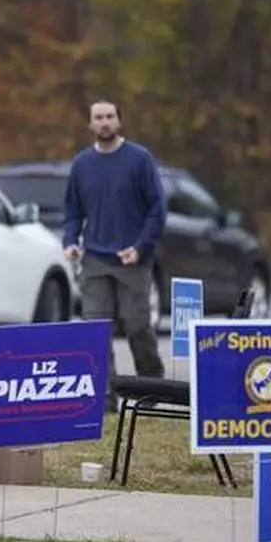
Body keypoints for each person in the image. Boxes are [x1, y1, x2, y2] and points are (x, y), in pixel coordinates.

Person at [61, 100, 166, 378]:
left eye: (109, 117)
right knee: (95, 330)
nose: (104, 122)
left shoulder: (139, 159)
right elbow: (72, 209)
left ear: (119, 122)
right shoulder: (82, 164)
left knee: (137, 326)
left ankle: (152, 388)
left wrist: (141, 247)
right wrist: (70, 241)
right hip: (94, 259)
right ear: (90, 124)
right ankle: (104, 398)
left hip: (132, 259)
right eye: (98, 117)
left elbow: (157, 209)